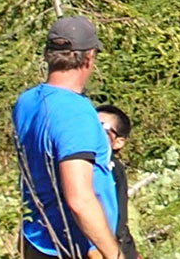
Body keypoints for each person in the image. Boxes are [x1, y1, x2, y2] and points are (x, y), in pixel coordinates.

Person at [14, 16, 127, 259]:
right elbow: (80, 199)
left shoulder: (27, 101)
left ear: (48, 55)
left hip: (35, 238)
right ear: (89, 58)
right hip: (71, 246)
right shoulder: (75, 114)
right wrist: (114, 254)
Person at [97, 104, 142, 259]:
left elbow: (117, 221)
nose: (93, 132)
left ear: (119, 142)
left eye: (102, 128)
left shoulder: (112, 168)